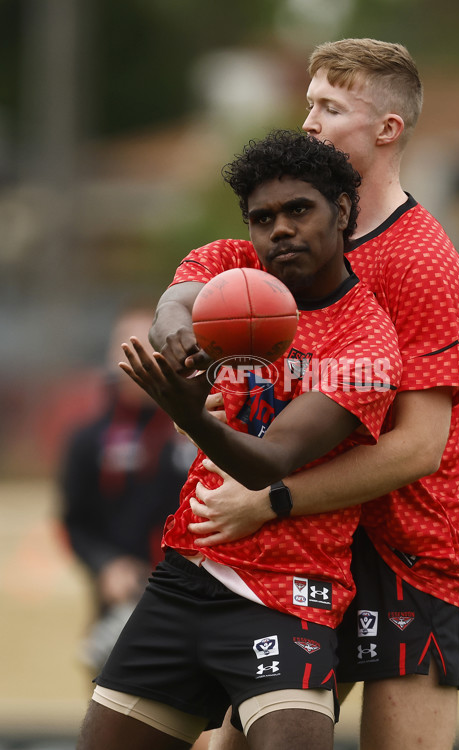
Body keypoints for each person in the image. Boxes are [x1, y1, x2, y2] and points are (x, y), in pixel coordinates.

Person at [150, 39, 459, 750]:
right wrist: (209, 406)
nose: (309, 123)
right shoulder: (289, 232)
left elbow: (420, 448)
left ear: (387, 130)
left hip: (409, 551)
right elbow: (235, 355)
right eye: (309, 105)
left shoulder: (421, 261)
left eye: (331, 107)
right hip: (312, 542)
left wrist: (268, 498)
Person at [75, 129, 402, 750]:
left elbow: (272, 461)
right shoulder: (233, 265)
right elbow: (175, 305)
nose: (280, 229)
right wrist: (184, 350)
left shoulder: (366, 341)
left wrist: (191, 413)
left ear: (343, 209)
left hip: (288, 593)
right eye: (263, 217)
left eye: (299, 210)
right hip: (188, 573)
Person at [60, 307, 197, 675]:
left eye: (149, 345)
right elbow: (74, 524)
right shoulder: (87, 440)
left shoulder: (204, 427)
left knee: (202, 727)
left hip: (196, 598)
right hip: (122, 604)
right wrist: (107, 566)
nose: (136, 360)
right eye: (125, 347)